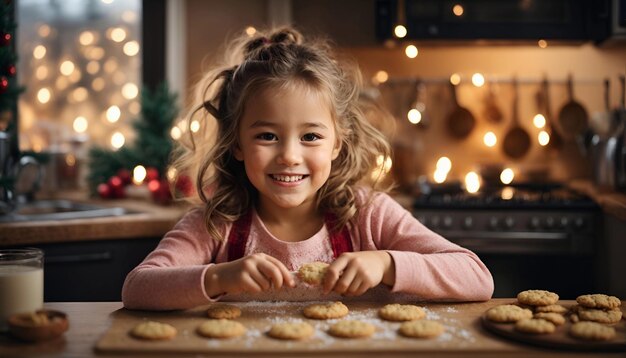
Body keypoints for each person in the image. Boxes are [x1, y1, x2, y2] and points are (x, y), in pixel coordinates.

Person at [122, 27, 493, 310]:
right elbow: (137, 288)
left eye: (311, 136)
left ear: (338, 142)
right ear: (236, 143)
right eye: (267, 136)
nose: (289, 155)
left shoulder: (367, 215)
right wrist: (218, 276)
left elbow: (476, 277)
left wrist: (386, 263)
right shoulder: (217, 223)